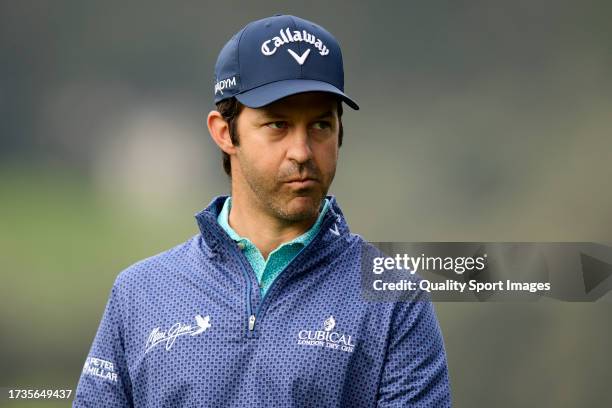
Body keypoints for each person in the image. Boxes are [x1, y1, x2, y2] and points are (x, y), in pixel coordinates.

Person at [73, 14, 451, 407]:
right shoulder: (140, 293)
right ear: (224, 132)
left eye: (321, 125)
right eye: (277, 125)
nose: (302, 152)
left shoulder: (396, 302)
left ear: (341, 131)